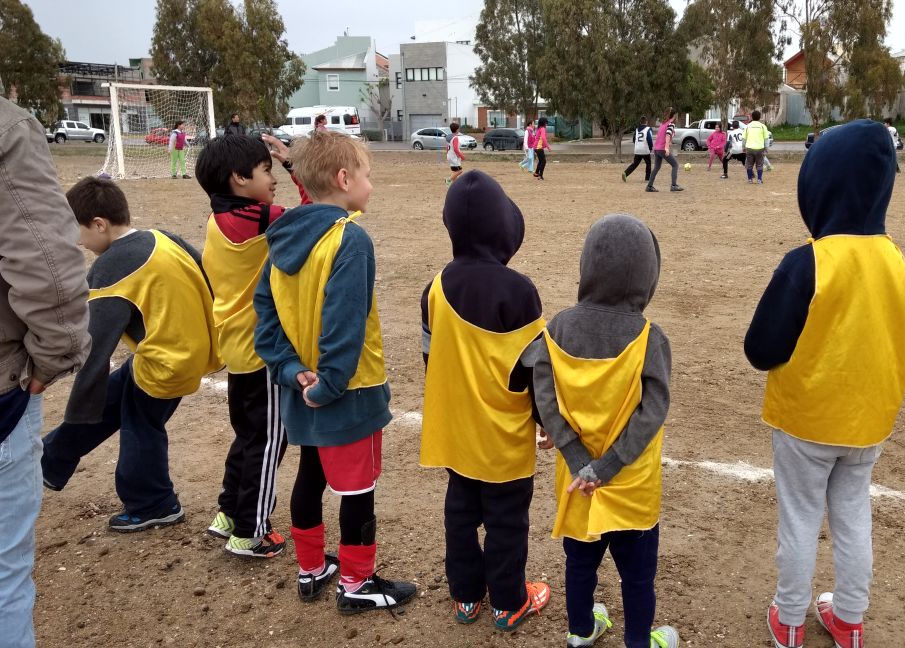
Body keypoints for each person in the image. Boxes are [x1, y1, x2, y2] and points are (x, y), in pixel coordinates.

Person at [744, 120, 905, 648]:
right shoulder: (895, 261)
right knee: (853, 515)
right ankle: (849, 619)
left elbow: (760, 349)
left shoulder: (808, 262)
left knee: (799, 518)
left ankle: (791, 620)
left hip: (806, 421)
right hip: (868, 421)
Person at [253, 130, 417, 613]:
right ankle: (356, 583)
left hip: (299, 389)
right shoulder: (351, 239)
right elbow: (343, 323)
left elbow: (264, 314)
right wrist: (330, 384)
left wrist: (288, 368)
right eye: (367, 174)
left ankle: (310, 569)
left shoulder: (281, 238)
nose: (371, 184)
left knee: (309, 474)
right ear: (344, 179)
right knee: (358, 489)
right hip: (348, 393)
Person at [526, 214, 678, 648]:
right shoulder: (650, 338)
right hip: (631, 485)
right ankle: (637, 642)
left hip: (577, 484)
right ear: (647, 277)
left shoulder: (557, 328)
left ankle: (579, 633)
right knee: (637, 576)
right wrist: (608, 466)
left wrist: (579, 460)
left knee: (578, 564)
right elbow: (654, 409)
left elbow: (544, 396)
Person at [41, 177, 221, 533]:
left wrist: (74, 391)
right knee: (111, 400)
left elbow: (93, 343)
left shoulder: (111, 267)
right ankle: (48, 461)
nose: (78, 241)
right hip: (182, 351)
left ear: (99, 224)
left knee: (141, 424)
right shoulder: (161, 237)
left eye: (78, 231)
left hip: (165, 364)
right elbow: (208, 275)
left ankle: (153, 503)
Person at [419, 170, 551, 631]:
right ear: (504, 227)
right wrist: (546, 422)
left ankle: (466, 597)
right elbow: (536, 368)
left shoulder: (433, 288)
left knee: (460, 513)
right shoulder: (520, 291)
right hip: (503, 439)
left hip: (457, 432)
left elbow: (429, 357)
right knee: (507, 521)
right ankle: (509, 601)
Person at [0, 97, 91, 648]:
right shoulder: (8, 127)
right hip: (5, 391)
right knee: (5, 578)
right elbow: (48, 265)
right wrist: (51, 360)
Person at [194, 133, 313, 558]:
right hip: (261, 346)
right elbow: (316, 212)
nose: (272, 178)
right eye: (266, 170)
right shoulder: (255, 218)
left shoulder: (219, 216)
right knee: (268, 440)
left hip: (237, 342)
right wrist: (295, 167)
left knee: (248, 435)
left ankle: (228, 511)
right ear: (239, 178)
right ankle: (251, 531)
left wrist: (285, 166)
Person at [646, 108, 683, 193]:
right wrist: (666, 148)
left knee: (656, 167)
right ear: (674, 115)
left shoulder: (663, 124)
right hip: (662, 149)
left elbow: (662, 136)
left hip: (657, 149)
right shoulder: (671, 124)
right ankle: (673, 185)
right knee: (675, 165)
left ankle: (649, 186)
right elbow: (667, 135)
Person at [744, 110, 772, 184]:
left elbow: (744, 139)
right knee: (759, 165)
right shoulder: (763, 126)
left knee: (749, 164)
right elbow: (766, 139)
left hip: (749, 148)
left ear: (752, 117)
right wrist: (766, 148)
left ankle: (750, 179)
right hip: (760, 148)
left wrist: (743, 147)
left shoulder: (747, 126)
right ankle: (759, 179)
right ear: (760, 117)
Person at [622, 117, 653, 182]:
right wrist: (650, 148)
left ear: (640, 122)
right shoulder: (648, 129)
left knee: (635, 164)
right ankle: (647, 178)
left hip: (637, 149)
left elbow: (634, 139)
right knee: (648, 163)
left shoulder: (636, 130)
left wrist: (638, 145)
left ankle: (625, 173)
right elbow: (650, 139)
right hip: (645, 150)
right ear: (646, 122)